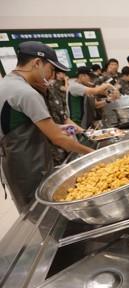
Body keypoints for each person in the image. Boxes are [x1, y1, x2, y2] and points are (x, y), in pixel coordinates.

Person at [0, 41, 94, 212]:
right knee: (45, 212)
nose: (51, 76)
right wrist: (92, 154)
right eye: (51, 69)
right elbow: (58, 140)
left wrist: (56, 127)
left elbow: (19, 125)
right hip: (31, 167)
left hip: (12, 164)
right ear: (37, 63)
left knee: (31, 212)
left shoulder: (6, 84)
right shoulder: (26, 92)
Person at [46, 69, 75, 165]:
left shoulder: (53, 87)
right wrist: (66, 81)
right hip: (57, 126)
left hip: (64, 118)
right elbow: (67, 90)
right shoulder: (55, 85)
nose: (64, 75)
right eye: (62, 73)